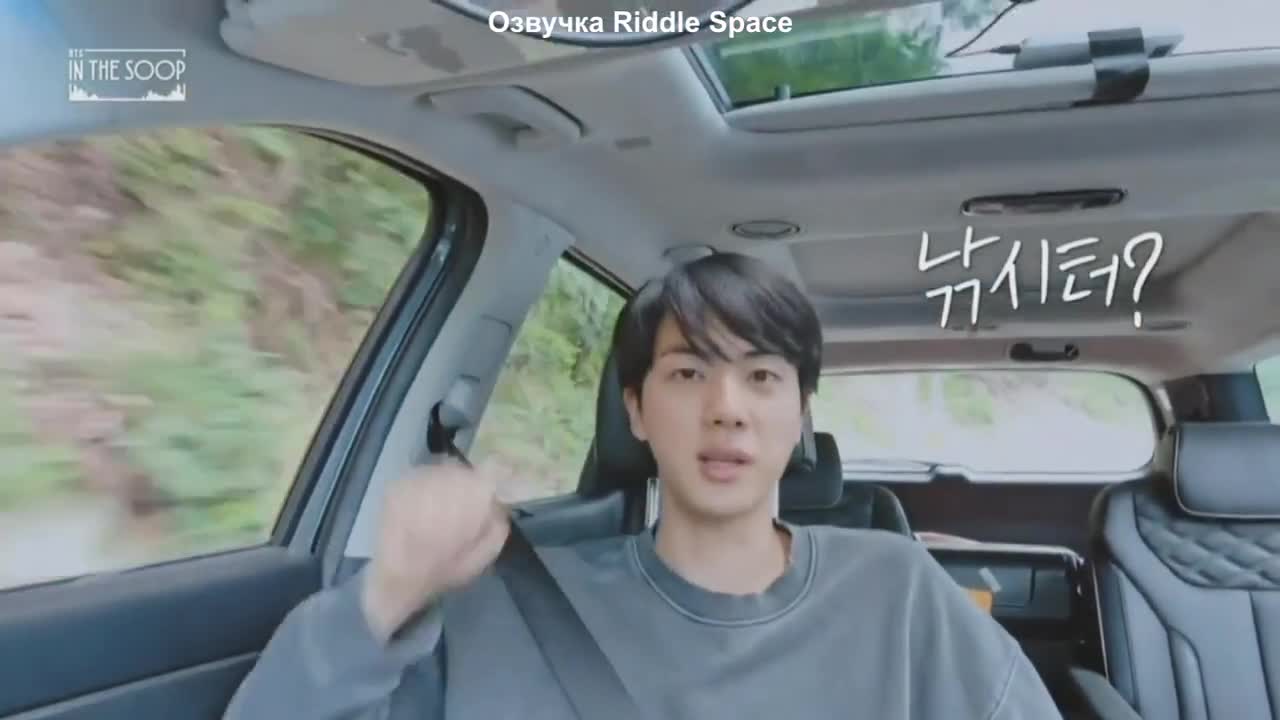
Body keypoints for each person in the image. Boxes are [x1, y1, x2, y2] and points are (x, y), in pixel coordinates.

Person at [223, 252, 1062, 719]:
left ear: (800, 414)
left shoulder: (898, 593)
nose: (727, 409)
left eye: (762, 378)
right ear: (636, 409)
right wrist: (385, 598)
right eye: (689, 373)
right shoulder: (500, 606)